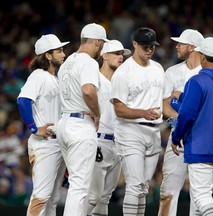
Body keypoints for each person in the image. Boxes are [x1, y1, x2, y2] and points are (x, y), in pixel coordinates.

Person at [171, 37, 213, 216]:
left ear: (203, 56)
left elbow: (188, 115)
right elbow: (208, 105)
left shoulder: (196, 81)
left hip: (201, 146)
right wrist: (183, 99)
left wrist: (176, 137)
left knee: (201, 198)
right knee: (201, 205)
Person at [110, 27, 168, 216]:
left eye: (151, 46)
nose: (149, 49)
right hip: (130, 131)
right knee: (135, 185)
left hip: (154, 131)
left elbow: (165, 101)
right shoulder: (124, 71)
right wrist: (143, 112)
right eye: (145, 46)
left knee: (143, 187)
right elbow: (119, 109)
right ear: (134, 44)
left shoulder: (158, 68)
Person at [56, 23, 108, 216]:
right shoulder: (89, 62)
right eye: (102, 43)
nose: (101, 47)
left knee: (76, 185)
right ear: (97, 41)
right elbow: (88, 90)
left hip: (64, 123)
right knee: (79, 187)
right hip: (80, 123)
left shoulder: (67, 61)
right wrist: (97, 113)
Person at [17, 34, 69, 215]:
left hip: (58, 142)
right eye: (59, 50)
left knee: (53, 198)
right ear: (47, 55)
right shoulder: (38, 76)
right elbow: (23, 100)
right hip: (45, 143)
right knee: (41, 196)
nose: (63, 54)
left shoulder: (56, 78)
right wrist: (33, 128)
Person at [157, 29, 204, 216]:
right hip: (178, 137)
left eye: (181, 43)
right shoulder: (172, 71)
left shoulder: (207, 72)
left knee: (199, 194)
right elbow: (164, 104)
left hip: (201, 138)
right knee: (167, 191)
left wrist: (181, 102)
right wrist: (181, 119)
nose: (177, 46)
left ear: (192, 47)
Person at [87, 40, 131, 216]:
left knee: (105, 197)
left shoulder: (123, 81)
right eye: (116, 53)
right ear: (105, 55)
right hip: (98, 140)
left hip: (117, 142)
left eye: (122, 54)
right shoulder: (93, 80)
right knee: (92, 197)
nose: (121, 57)